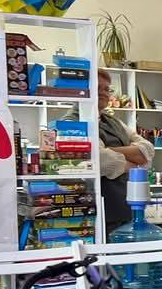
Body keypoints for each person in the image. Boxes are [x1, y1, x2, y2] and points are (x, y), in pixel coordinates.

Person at [64, 68, 154, 237]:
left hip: (125, 207)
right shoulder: (71, 123)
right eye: (98, 88)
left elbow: (147, 150)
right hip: (96, 211)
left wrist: (108, 151)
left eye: (107, 89)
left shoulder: (112, 120)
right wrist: (134, 162)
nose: (104, 93)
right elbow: (100, 161)